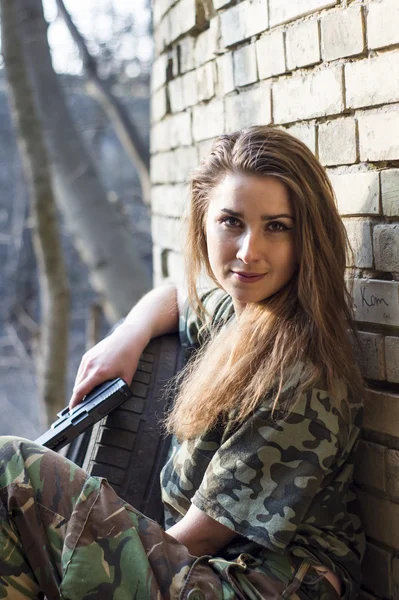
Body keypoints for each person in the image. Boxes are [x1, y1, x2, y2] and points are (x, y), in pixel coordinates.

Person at [0, 126, 365, 600]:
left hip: (257, 584)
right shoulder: (245, 316)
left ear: (306, 237)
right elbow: (175, 296)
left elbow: (203, 535)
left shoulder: (299, 371)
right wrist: (126, 337)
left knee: (14, 466)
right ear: (203, 222)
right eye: (232, 222)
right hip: (200, 566)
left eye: (276, 226)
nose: (249, 251)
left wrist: (71, 549)